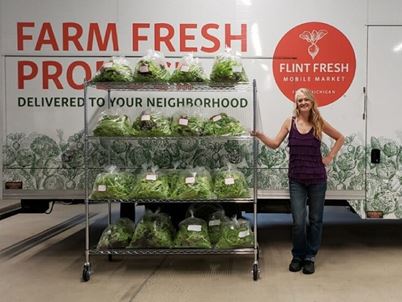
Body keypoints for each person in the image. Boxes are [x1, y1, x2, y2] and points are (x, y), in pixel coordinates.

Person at [252, 88, 344, 274]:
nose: (302, 103)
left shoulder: (319, 122)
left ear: (311, 101)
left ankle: (310, 256)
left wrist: (329, 157)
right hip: (297, 181)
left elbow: (340, 138)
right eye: (299, 100)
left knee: (316, 220)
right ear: (296, 104)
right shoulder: (290, 123)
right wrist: (260, 135)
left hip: (317, 179)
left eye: (305, 100)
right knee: (298, 221)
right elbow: (275, 144)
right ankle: (298, 255)